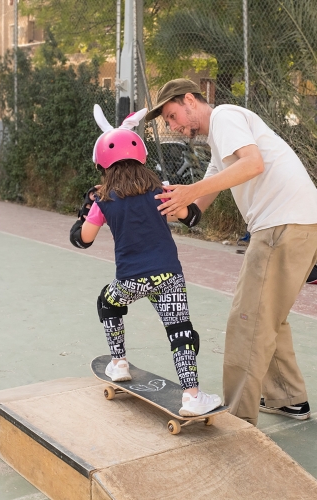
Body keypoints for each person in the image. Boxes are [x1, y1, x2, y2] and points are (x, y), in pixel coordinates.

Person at [147, 78, 317, 425]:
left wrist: (190, 188)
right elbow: (195, 210)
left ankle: (237, 419)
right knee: (268, 318)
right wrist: (172, 204)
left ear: (191, 100)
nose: (173, 125)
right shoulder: (220, 146)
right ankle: (288, 399)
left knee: (248, 322)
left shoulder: (224, 116)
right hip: (298, 224)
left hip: (281, 225)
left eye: (173, 115)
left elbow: (254, 164)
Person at [69, 104, 221, 416]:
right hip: (168, 276)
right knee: (181, 331)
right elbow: (190, 218)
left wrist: (87, 207)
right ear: (141, 155)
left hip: (130, 280)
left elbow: (82, 239)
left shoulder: (103, 199)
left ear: (103, 164)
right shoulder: (161, 191)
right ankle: (192, 396)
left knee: (108, 303)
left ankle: (118, 362)